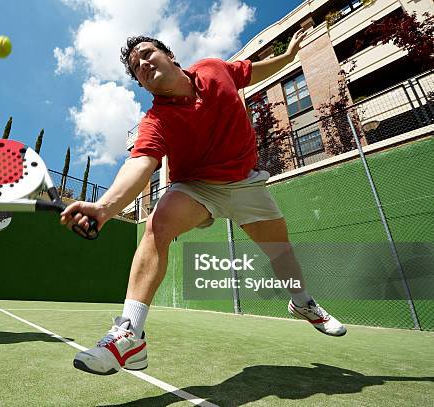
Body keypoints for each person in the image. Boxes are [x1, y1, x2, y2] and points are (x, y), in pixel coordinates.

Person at [61, 30, 346, 375]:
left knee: (280, 250)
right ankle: (130, 335)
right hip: (197, 187)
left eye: (148, 54)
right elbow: (140, 164)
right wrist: (104, 208)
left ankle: (302, 303)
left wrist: (289, 57)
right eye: (137, 67)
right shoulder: (156, 121)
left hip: (245, 182)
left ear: (172, 57)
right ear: (143, 84)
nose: (144, 64)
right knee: (158, 223)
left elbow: (250, 71)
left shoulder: (214, 69)